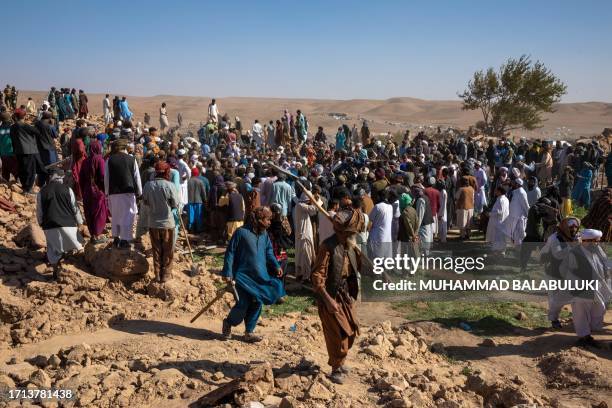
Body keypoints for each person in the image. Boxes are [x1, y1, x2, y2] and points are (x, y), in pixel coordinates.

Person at [311, 208, 364, 384]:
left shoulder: (350, 246)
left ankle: (340, 363)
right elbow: (317, 277)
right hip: (330, 294)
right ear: (343, 232)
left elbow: (361, 267)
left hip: (345, 294)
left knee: (350, 330)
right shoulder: (328, 246)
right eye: (351, 233)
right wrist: (328, 300)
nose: (354, 236)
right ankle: (335, 369)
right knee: (337, 333)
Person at [221, 206, 285, 343]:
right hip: (242, 276)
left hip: (259, 276)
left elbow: (268, 252)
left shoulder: (265, 235)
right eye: (267, 219)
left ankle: (249, 332)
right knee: (242, 304)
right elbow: (230, 252)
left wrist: (276, 265)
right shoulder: (241, 233)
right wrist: (227, 272)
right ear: (259, 219)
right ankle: (228, 323)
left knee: (257, 302)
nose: (269, 222)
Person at [563, 229, 611, 347]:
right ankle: (583, 337)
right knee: (581, 313)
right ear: (588, 241)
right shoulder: (575, 253)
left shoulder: (596, 250)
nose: (598, 243)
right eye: (596, 241)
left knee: (598, 308)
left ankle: (587, 334)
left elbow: (605, 265)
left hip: (595, 288)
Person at [36, 170, 84, 279]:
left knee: (53, 249)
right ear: (61, 178)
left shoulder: (42, 192)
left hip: (50, 225)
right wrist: (80, 222)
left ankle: (55, 272)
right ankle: (72, 269)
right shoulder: (68, 189)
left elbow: (39, 211)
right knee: (77, 246)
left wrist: (41, 223)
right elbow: (75, 208)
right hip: (69, 225)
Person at [141, 161, 180, 282]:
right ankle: (166, 275)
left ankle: (157, 274)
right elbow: (175, 204)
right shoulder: (170, 185)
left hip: (153, 223)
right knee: (168, 250)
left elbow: (145, 202)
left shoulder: (148, 185)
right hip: (167, 223)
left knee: (156, 250)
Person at [540, 217, 580, 329]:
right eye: (570, 225)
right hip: (553, 271)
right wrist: (571, 247)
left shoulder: (574, 237)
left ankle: (579, 318)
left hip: (569, 270)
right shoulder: (555, 238)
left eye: (575, 226)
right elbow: (558, 255)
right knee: (555, 296)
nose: (573, 228)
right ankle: (554, 319)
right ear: (564, 226)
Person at [104, 139, 142, 248]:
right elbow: (137, 177)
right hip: (128, 192)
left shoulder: (109, 160)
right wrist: (140, 192)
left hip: (113, 193)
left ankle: (116, 238)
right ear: (125, 147)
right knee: (128, 215)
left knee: (116, 215)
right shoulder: (131, 159)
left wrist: (107, 192)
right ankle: (125, 239)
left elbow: (106, 178)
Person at [10, 108, 45, 194]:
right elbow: (38, 133)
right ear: (24, 116)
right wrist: (36, 123)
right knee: (30, 170)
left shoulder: (12, 127)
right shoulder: (25, 126)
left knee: (22, 168)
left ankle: (24, 186)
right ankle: (28, 188)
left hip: (18, 151)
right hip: (29, 151)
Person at [79, 140, 108, 243]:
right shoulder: (100, 159)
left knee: (89, 211)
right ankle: (97, 235)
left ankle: (93, 235)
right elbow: (102, 176)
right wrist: (105, 189)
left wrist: (83, 190)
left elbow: (81, 178)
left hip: (87, 189)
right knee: (99, 212)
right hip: (97, 190)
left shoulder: (85, 161)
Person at [293, 190, 320, 282]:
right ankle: (305, 276)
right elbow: (314, 209)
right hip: (303, 234)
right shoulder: (300, 206)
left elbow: (313, 212)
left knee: (304, 255)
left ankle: (303, 274)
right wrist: (318, 200)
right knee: (305, 255)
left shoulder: (301, 206)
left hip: (304, 234)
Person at [505, 178, 529, 246]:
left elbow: (525, 204)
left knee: (521, 232)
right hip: (513, 215)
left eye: (514, 183)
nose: (512, 184)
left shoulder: (522, 192)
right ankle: (517, 246)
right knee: (514, 231)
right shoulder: (514, 191)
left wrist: (528, 214)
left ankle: (524, 246)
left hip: (519, 216)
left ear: (517, 184)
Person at [485, 185, 509, 253]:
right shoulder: (504, 199)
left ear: (500, 191)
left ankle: (499, 251)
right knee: (500, 237)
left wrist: (489, 214)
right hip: (501, 221)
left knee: (497, 237)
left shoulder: (501, 200)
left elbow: (499, 211)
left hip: (498, 222)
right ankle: (500, 250)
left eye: (496, 190)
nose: (495, 192)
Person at [186, 167, 207, 233]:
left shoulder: (188, 181)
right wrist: (205, 200)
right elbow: (203, 192)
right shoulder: (200, 182)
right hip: (199, 201)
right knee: (199, 216)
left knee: (190, 216)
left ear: (192, 173)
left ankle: (191, 229)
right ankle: (199, 230)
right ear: (198, 174)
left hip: (190, 201)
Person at [0, 112, 18, 182]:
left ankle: (5, 182)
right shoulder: (12, 128)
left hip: (2, 153)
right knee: (16, 171)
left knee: (5, 169)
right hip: (11, 152)